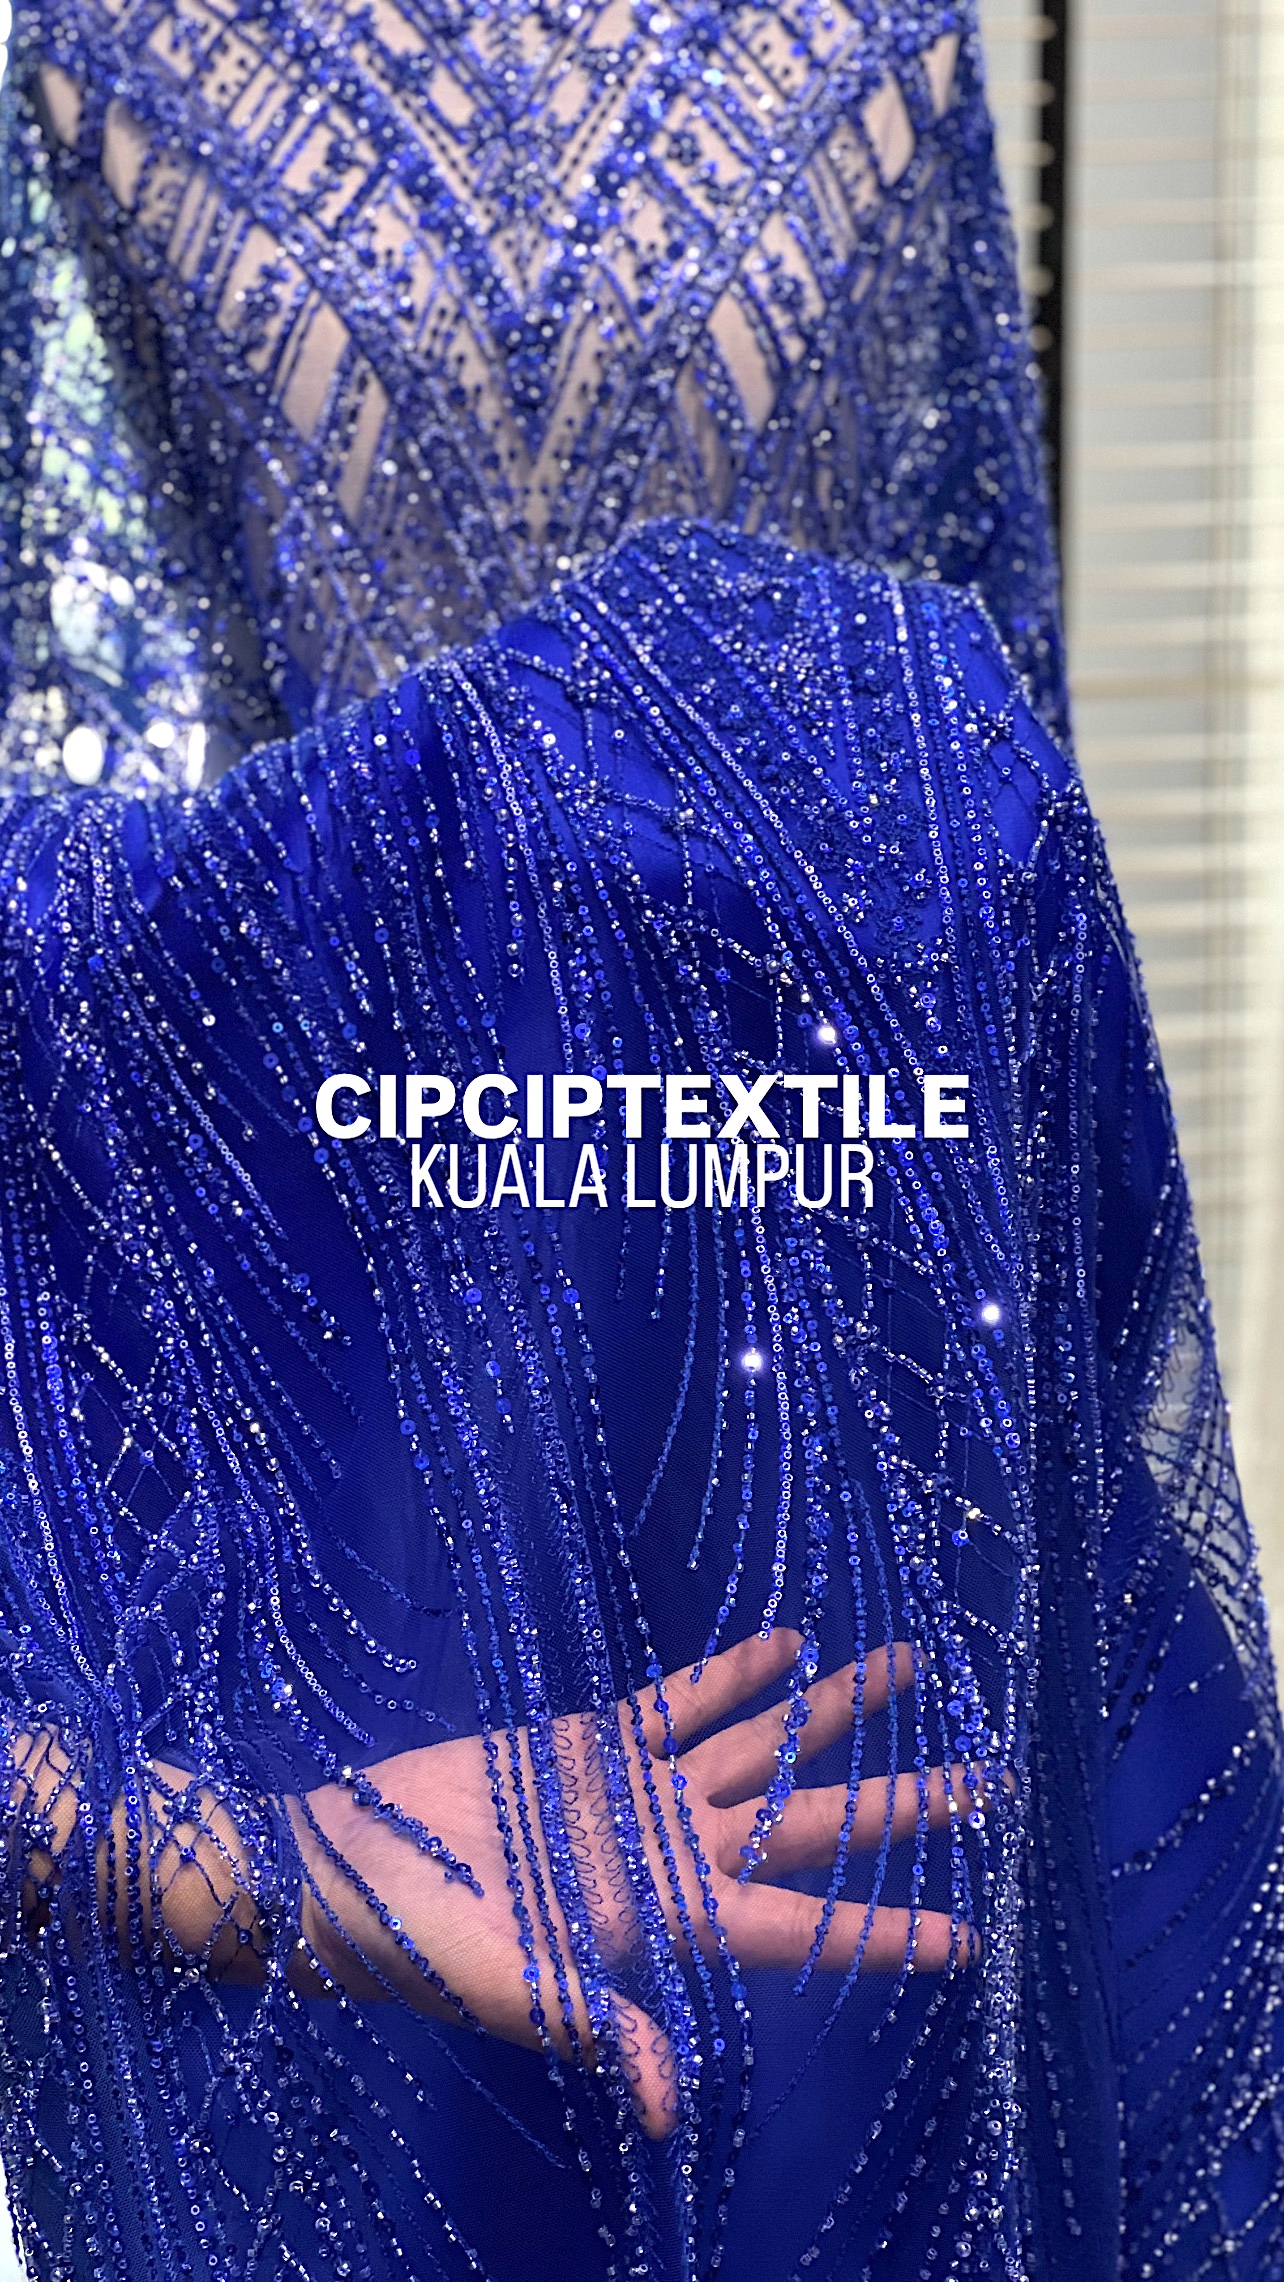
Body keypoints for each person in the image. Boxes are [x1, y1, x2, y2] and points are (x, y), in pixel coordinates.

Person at [0, 2, 1281, 2276]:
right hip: (376, 1356)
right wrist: (203, 1831)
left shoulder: (878, 46)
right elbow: (71, 775)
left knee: (904, 2093)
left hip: (843, 1288)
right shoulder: (116, 54)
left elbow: (986, 744)